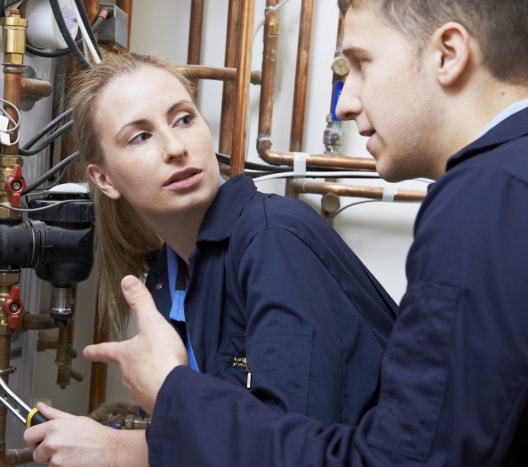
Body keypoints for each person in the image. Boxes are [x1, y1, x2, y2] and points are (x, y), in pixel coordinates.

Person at [81, 0, 528, 465]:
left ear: (448, 53)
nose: (346, 104)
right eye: (141, 136)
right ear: (102, 179)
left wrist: (170, 401)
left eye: (361, 64)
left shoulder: (495, 201)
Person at [24, 51, 398, 464]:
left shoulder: (273, 239)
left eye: (183, 119)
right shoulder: (165, 280)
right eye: (140, 136)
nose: (175, 147)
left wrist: (124, 451)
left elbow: (297, 453)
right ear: (104, 179)